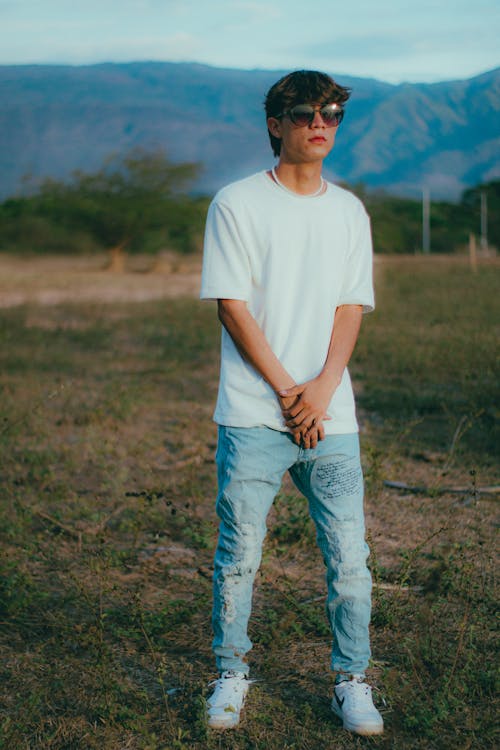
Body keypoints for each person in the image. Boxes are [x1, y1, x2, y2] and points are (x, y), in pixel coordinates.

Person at [199, 69, 383, 737]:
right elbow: (232, 306)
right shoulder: (237, 203)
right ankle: (229, 672)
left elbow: (349, 305)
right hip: (254, 412)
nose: (320, 123)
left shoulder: (348, 211)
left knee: (349, 555)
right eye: (305, 112)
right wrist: (287, 391)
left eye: (332, 113)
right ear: (276, 123)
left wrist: (325, 387)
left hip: (330, 414)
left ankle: (352, 681)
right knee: (240, 551)